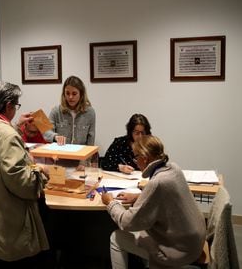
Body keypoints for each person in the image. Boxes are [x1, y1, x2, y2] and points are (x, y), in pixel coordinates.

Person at [101, 136, 206, 269]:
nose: (135, 162)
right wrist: (139, 196)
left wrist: (110, 202)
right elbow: (164, 197)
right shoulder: (173, 168)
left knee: (116, 237)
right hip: (193, 242)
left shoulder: (157, 183)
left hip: (178, 252)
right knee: (146, 231)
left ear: (144, 158)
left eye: (135, 157)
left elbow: (127, 222)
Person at [0, 81, 51, 268]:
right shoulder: (8, 135)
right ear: (8, 106)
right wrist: (42, 172)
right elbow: (23, 183)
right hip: (9, 224)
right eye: (16, 105)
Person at [44, 75, 95, 146]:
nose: (70, 97)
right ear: (64, 94)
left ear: (81, 94)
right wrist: (55, 137)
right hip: (60, 154)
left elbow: (91, 138)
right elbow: (46, 132)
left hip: (81, 154)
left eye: (74, 94)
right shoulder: (56, 111)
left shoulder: (90, 112)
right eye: (67, 93)